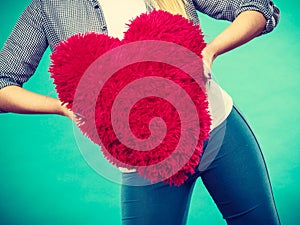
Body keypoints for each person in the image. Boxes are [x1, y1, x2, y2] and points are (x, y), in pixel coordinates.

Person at [0, 0, 281, 225]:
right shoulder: (48, 8)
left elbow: (257, 8)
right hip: (145, 161)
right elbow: (3, 83)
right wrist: (64, 108)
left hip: (220, 132)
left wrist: (210, 51)